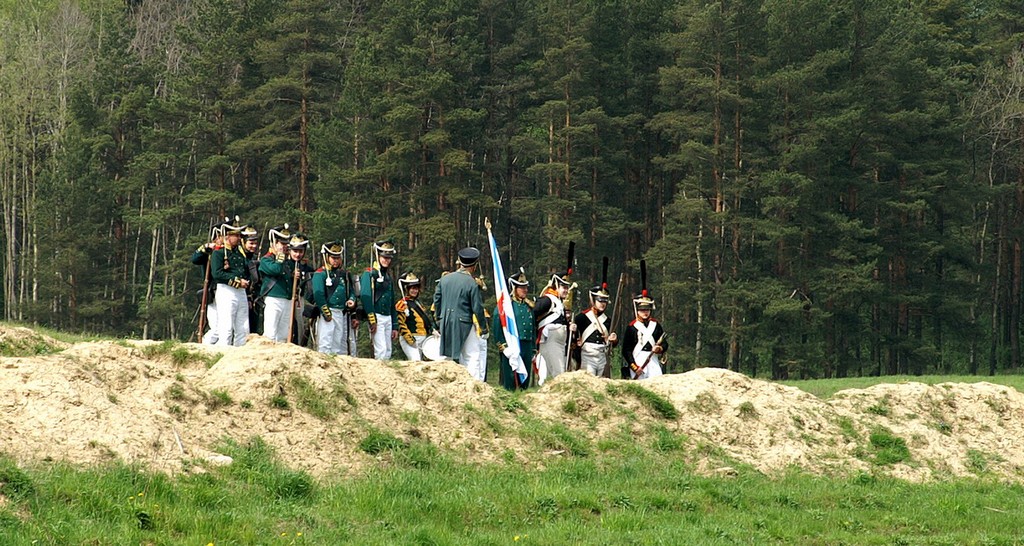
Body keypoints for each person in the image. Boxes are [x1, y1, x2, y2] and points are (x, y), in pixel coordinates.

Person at [433, 247, 489, 380]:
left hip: (446, 320)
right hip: (464, 322)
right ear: (475, 265)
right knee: (472, 355)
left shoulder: (445, 279)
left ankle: (443, 383)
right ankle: (473, 385)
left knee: (447, 356)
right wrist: (484, 328)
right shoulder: (471, 283)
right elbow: (477, 308)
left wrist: (439, 320)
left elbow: (437, 300)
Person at [260, 228, 312, 343]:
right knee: (270, 333)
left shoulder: (287, 262)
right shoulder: (266, 260)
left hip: (288, 299)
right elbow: (276, 270)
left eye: (286, 244)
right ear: (274, 243)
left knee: (283, 334)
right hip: (274, 299)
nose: (284, 247)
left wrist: (295, 275)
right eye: (282, 244)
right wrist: (280, 257)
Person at [210, 219, 251, 346]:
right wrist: (237, 281)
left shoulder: (239, 252)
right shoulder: (219, 253)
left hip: (241, 291)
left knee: (243, 327)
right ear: (227, 236)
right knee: (226, 327)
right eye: (236, 235)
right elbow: (217, 274)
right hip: (227, 290)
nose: (239, 238)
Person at [493, 268, 536, 390]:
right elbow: (497, 324)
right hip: (512, 345)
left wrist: (533, 348)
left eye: (526, 287)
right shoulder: (507, 306)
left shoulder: (528, 306)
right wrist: (503, 345)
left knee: (525, 377)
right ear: (514, 288)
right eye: (521, 287)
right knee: (510, 378)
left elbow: (532, 328)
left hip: (526, 345)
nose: (525, 290)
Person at [312, 241, 357, 355]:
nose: (336, 260)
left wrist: (351, 300)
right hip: (328, 311)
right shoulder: (320, 274)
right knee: (325, 343)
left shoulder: (344, 274)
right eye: (333, 258)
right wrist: (326, 313)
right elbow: (318, 295)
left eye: (338, 258)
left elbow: (351, 292)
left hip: (341, 312)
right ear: (327, 257)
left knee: (338, 345)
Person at [360, 240, 399, 359]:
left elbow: (391, 302)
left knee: (388, 350)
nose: (387, 260)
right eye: (384, 257)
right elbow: (365, 296)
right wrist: (372, 318)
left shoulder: (388, 277)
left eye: (389, 258)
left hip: (388, 316)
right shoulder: (369, 274)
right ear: (378, 256)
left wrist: (395, 325)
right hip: (376, 315)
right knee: (381, 350)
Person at [534, 268, 572, 383]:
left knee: (559, 372)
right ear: (556, 285)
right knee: (558, 374)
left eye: (567, 287)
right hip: (550, 342)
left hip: (559, 344)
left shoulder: (559, 302)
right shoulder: (547, 300)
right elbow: (532, 316)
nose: (566, 290)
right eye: (563, 287)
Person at [621, 291, 668, 380]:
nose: (645, 312)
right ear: (637, 310)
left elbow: (664, 344)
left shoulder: (656, 325)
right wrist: (634, 367)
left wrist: (659, 348)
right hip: (637, 360)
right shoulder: (632, 327)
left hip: (653, 360)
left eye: (647, 309)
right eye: (642, 310)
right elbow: (626, 351)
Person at [573, 284, 617, 377]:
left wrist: (614, 339)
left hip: (602, 355)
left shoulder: (608, 321)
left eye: (605, 301)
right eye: (600, 300)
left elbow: (612, 343)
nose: (603, 303)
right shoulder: (582, 318)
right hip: (587, 354)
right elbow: (574, 338)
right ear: (593, 300)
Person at [191, 225, 222, 344]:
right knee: (216, 328)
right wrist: (206, 247)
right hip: (213, 290)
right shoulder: (209, 251)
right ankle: (204, 346)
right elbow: (195, 259)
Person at [395, 272, 433, 360]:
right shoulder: (402, 304)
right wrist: (410, 340)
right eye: (412, 288)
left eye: (416, 289)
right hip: (411, 338)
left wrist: (432, 330)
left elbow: (424, 320)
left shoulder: (418, 303)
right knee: (416, 360)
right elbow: (401, 324)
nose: (414, 291)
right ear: (407, 289)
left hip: (422, 338)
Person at [241, 226, 263, 334]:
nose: (254, 246)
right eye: (251, 243)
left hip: (254, 298)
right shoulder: (241, 258)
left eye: (255, 243)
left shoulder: (253, 259)